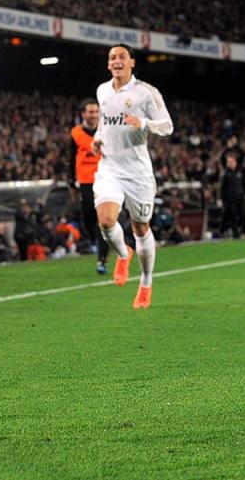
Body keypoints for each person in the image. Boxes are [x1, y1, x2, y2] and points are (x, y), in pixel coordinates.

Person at [91, 44, 173, 309]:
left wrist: (144, 123)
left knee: (141, 228)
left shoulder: (145, 93)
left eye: (121, 57)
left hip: (137, 173)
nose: (116, 61)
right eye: (112, 57)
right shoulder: (102, 91)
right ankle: (124, 254)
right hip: (109, 168)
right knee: (106, 221)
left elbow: (167, 126)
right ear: (108, 64)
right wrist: (97, 138)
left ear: (132, 63)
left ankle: (146, 283)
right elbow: (104, 123)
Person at [70, 98, 107, 273]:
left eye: (96, 111)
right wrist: (71, 181)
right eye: (90, 111)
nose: (93, 115)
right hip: (85, 181)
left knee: (103, 219)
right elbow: (71, 158)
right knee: (88, 215)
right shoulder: (76, 133)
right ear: (83, 114)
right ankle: (94, 239)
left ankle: (102, 259)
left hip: (105, 179)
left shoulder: (106, 131)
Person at [218, 154, 245, 238]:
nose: (230, 164)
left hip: (240, 198)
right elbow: (222, 188)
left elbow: (244, 184)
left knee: (242, 215)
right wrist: (221, 199)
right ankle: (235, 233)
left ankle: (244, 231)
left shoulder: (239, 172)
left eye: (232, 162)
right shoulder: (226, 174)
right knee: (232, 216)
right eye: (229, 162)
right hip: (230, 199)